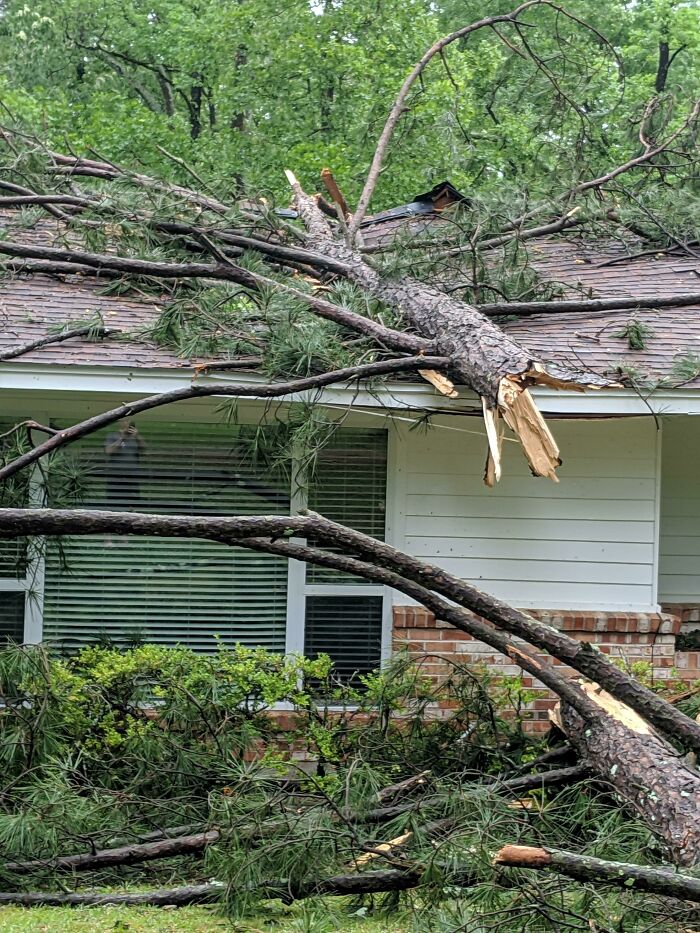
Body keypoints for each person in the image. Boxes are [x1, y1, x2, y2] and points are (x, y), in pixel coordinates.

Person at [104, 419, 146, 507]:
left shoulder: (135, 438)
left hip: (132, 476)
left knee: (133, 502)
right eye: (125, 421)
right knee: (113, 502)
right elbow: (109, 451)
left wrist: (137, 437)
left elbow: (143, 450)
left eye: (129, 422)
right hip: (115, 476)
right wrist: (122, 438)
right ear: (120, 423)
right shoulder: (112, 436)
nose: (127, 423)